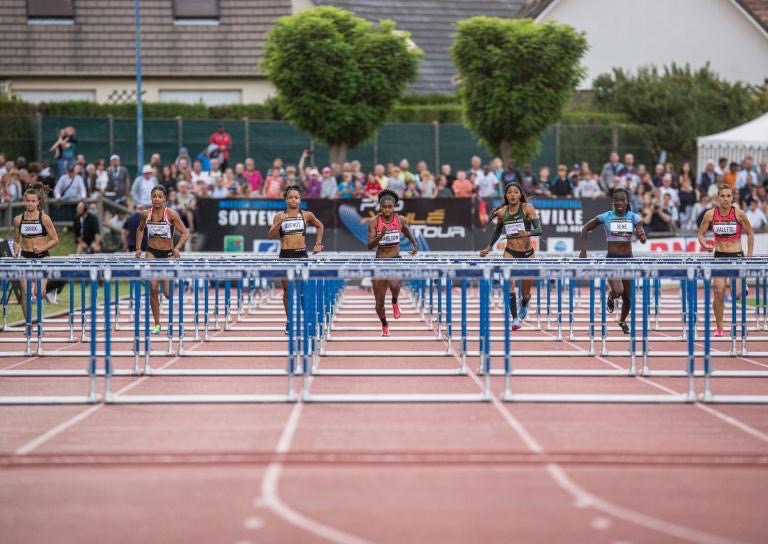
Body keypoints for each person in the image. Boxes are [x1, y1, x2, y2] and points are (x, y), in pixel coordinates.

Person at [579, 188, 647, 334]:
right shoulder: (606, 217)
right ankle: (611, 295)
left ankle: (622, 321)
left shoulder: (634, 217)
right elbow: (585, 228)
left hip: (628, 260)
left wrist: (642, 236)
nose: (620, 203)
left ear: (627, 201)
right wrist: (583, 250)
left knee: (628, 298)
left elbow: (641, 231)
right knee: (618, 290)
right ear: (613, 202)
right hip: (612, 260)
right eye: (617, 200)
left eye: (622, 200)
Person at [479, 183, 542, 331]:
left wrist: (528, 233)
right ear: (506, 196)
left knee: (526, 294)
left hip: (527, 254)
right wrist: (488, 248)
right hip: (510, 252)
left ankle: (524, 303)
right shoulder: (502, 213)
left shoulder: (527, 208)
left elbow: (539, 230)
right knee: (509, 284)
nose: (512, 195)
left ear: (520, 194)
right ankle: (515, 319)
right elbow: (497, 231)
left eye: (515, 192)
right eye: (509, 193)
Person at [697, 185, 754, 337]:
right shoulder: (710, 214)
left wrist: (749, 256)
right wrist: (705, 245)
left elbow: (750, 233)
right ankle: (720, 328)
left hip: (736, 256)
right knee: (718, 292)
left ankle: (743, 284)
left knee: (736, 295)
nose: (726, 199)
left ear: (732, 198)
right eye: (723, 196)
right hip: (719, 256)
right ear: (718, 197)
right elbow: (701, 234)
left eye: (728, 196)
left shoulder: (739, 214)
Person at [267, 185, 325, 333]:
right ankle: (289, 321)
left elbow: (320, 226)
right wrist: (279, 223)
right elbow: (270, 236)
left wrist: (318, 243)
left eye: (296, 197)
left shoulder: (306, 215)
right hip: (285, 255)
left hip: (301, 255)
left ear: (300, 200)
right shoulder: (279, 216)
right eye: (291, 197)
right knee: (287, 291)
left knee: (304, 291)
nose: (293, 199)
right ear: (286, 199)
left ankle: (306, 320)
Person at [134, 186, 190, 335]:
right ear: (151, 198)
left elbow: (185, 233)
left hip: (167, 255)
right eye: (154, 196)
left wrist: (177, 248)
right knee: (153, 288)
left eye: (160, 196)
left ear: (165, 199)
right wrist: (138, 248)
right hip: (151, 252)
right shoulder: (145, 214)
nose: (157, 199)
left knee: (167, 294)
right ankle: (157, 323)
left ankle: (177, 319)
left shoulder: (171, 214)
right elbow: (140, 230)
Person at [367, 190, 418, 336]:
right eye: (384, 207)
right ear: (380, 207)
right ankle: (384, 325)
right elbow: (369, 245)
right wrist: (381, 235)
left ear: (394, 207)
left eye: (390, 207)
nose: (387, 210)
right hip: (380, 262)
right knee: (379, 303)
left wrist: (414, 244)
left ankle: (395, 301)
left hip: (395, 259)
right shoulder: (374, 222)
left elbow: (406, 230)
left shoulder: (400, 220)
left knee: (395, 285)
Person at [13, 185, 59, 319]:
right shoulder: (18, 220)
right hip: (25, 256)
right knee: (26, 293)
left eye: (33, 201)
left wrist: (43, 248)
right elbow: (16, 240)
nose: (30, 204)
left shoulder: (44, 219)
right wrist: (16, 250)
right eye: (28, 201)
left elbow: (55, 239)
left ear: (38, 202)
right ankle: (28, 324)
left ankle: (39, 320)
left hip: (42, 256)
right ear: (24, 200)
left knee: (39, 292)